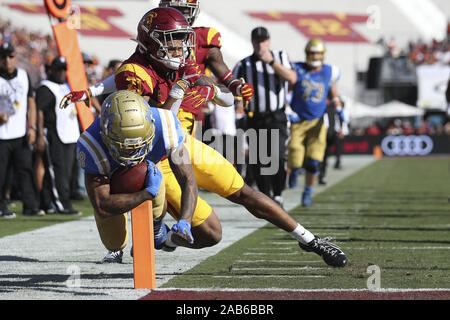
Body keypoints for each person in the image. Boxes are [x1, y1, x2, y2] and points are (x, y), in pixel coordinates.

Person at [60, 7, 348, 267]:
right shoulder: (134, 74)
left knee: (243, 191)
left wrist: (223, 90)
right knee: (211, 234)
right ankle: (158, 236)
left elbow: (207, 89)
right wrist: (178, 92)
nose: (180, 47)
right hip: (151, 154)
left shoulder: (180, 61)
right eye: (171, 39)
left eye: (181, 38)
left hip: (179, 140)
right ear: (151, 42)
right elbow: (150, 126)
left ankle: (310, 240)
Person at [77, 90, 197, 262]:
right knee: (114, 242)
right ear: (105, 132)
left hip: (148, 172)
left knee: (155, 182)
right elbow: (102, 205)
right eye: (124, 146)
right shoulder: (91, 145)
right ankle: (117, 250)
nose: (132, 152)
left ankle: (155, 228)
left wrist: (185, 221)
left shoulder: (166, 125)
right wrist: (146, 193)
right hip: (112, 186)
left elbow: (188, 179)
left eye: (138, 145)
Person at [232, 26, 297, 208]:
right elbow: (234, 87)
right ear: (253, 42)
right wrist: (238, 104)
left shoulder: (281, 57)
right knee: (257, 158)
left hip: (276, 116)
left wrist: (271, 63)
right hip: (255, 117)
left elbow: (292, 78)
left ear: (268, 41)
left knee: (276, 156)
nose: (261, 44)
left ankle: (277, 194)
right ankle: (265, 196)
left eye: (264, 41)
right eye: (257, 41)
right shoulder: (243, 64)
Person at [288, 38, 345, 207]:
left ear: (323, 54)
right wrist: (287, 108)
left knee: (314, 161)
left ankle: (308, 192)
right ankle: (293, 173)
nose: (315, 56)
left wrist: (339, 107)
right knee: (295, 156)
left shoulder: (329, 71)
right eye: (312, 53)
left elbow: (333, 92)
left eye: (318, 53)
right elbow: (288, 91)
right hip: (298, 120)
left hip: (317, 121)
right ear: (307, 53)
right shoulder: (297, 68)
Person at [35, 56, 81, 215]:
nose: (62, 72)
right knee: (57, 171)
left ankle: (49, 203)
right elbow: (39, 112)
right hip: (54, 134)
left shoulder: (67, 86)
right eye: (59, 69)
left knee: (66, 172)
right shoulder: (46, 88)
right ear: (52, 70)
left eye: (64, 69)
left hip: (70, 134)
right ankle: (62, 204)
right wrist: (40, 134)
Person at [0, 41, 42, 217]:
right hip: (1, 134)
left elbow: (30, 102)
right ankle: (1, 206)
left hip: (19, 132)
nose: (7, 61)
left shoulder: (23, 76)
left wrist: (31, 127)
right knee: (1, 174)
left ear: (16, 58)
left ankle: (30, 206)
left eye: (10, 57)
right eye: (3, 57)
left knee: (25, 169)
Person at [318, 96, 348, 185]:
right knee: (322, 156)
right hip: (323, 134)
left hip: (333, 133)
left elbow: (341, 119)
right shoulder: (323, 108)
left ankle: (323, 175)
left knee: (327, 155)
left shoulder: (335, 109)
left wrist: (342, 129)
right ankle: (320, 175)